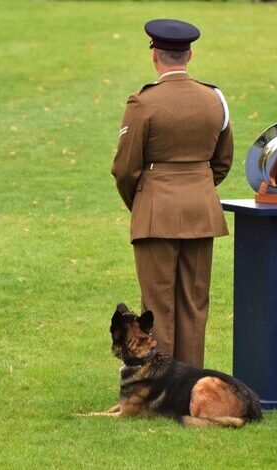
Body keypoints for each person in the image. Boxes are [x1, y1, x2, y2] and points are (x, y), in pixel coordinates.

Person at [111, 19, 233, 368]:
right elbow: (222, 161)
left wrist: (141, 201)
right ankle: (190, 381)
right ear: (189, 54)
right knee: (194, 303)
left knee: (157, 305)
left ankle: (160, 383)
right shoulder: (214, 99)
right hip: (201, 213)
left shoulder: (143, 103)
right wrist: (197, 188)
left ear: (155, 57)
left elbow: (124, 169)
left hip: (156, 213)